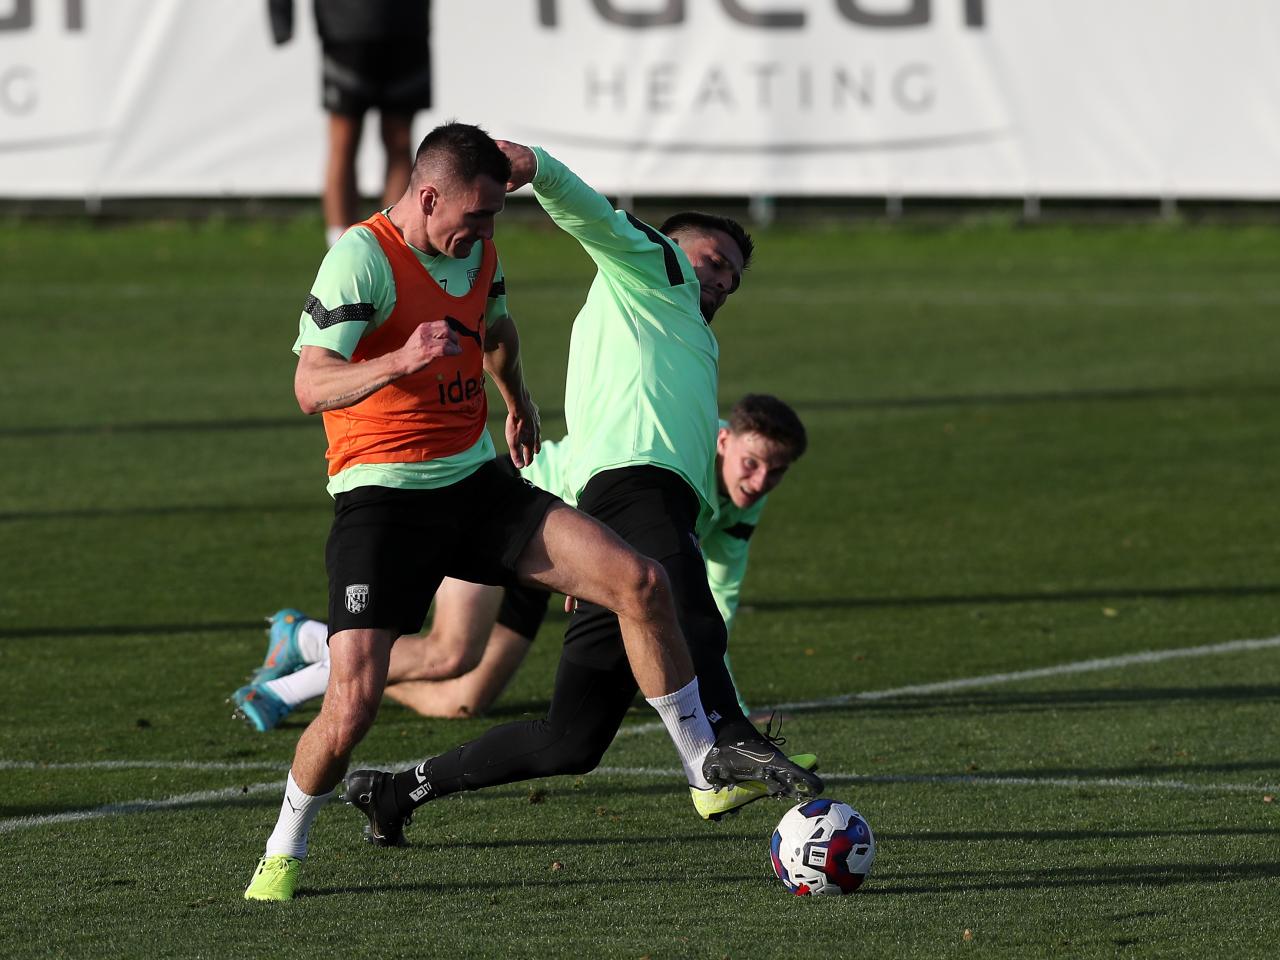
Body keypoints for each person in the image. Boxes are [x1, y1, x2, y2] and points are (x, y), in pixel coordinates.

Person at [242, 122, 795, 903]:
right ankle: (285, 844)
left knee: (641, 583)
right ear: (427, 197)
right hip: (383, 499)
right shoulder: (362, 258)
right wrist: (402, 359)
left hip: (476, 487)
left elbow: (495, 328)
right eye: (475, 215)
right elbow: (311, 385)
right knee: (354, 706)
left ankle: (703, 766)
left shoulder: (477, 251)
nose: (486, 231)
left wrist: (519, 401)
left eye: (494, 215)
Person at [235, 393, 808, 726]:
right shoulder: (677, 452)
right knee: (449, 652)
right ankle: (283, 692)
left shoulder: (742, 501)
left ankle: (309, 640)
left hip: (557, 562)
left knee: (462, 700)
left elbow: (714, 606)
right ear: (724, 440)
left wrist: (727, 708)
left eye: (776, 472)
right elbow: (602, 485)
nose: (760, 481)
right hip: (510, 513)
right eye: (753, 464)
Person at [268, 0, 433, 247]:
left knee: (400, 140)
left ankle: (396, 247)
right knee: (344, 139)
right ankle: (341, 249)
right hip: (345, 28)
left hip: (407, 25)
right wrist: (281, 20)